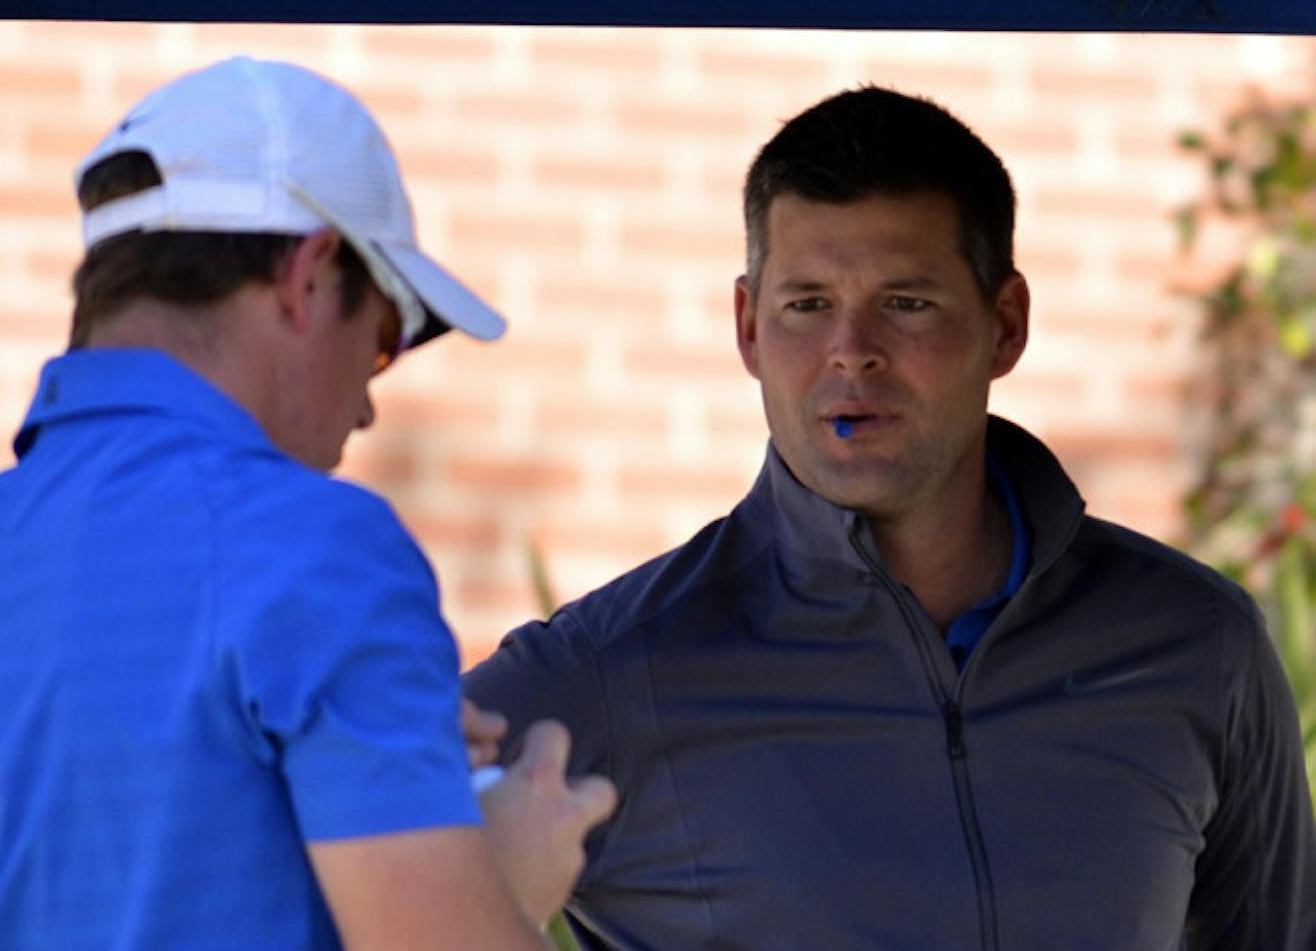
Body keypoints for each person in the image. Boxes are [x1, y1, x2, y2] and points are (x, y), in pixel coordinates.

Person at [465, 86, 1316, 949]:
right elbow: (340, 891)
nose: (851, 350)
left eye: (906, 303)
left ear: (1006, 323)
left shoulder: (1197, 644)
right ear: (748, 328)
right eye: (807, 304)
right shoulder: (614, 669)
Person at [0, 56, 615, 951]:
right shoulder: (316, 553)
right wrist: (501, 875)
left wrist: (380, 769)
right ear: (307, 276)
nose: (366, 404)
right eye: (384, 340)